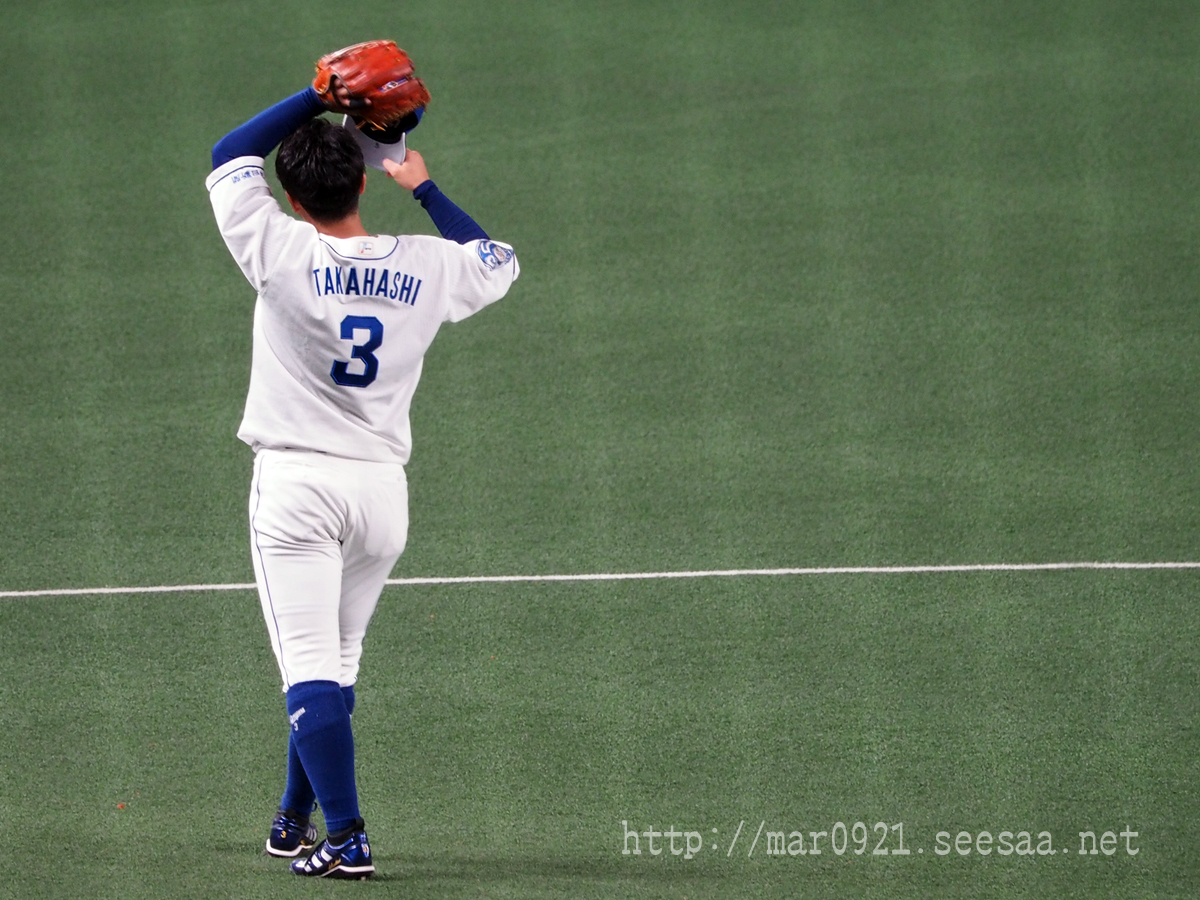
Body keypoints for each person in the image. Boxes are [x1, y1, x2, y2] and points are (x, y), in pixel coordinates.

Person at [205, 78, 519, 879]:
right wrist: (416, 179)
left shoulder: (279, 251)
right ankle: (292, 821)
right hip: (382, 497)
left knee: (308, 672)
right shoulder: (425, 267)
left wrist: (314, 95)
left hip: (297, 494)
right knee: (334, 673)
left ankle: (347, 839)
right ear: (356, 181)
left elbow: (226, 155)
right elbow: (498, 261)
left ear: (293, 198)